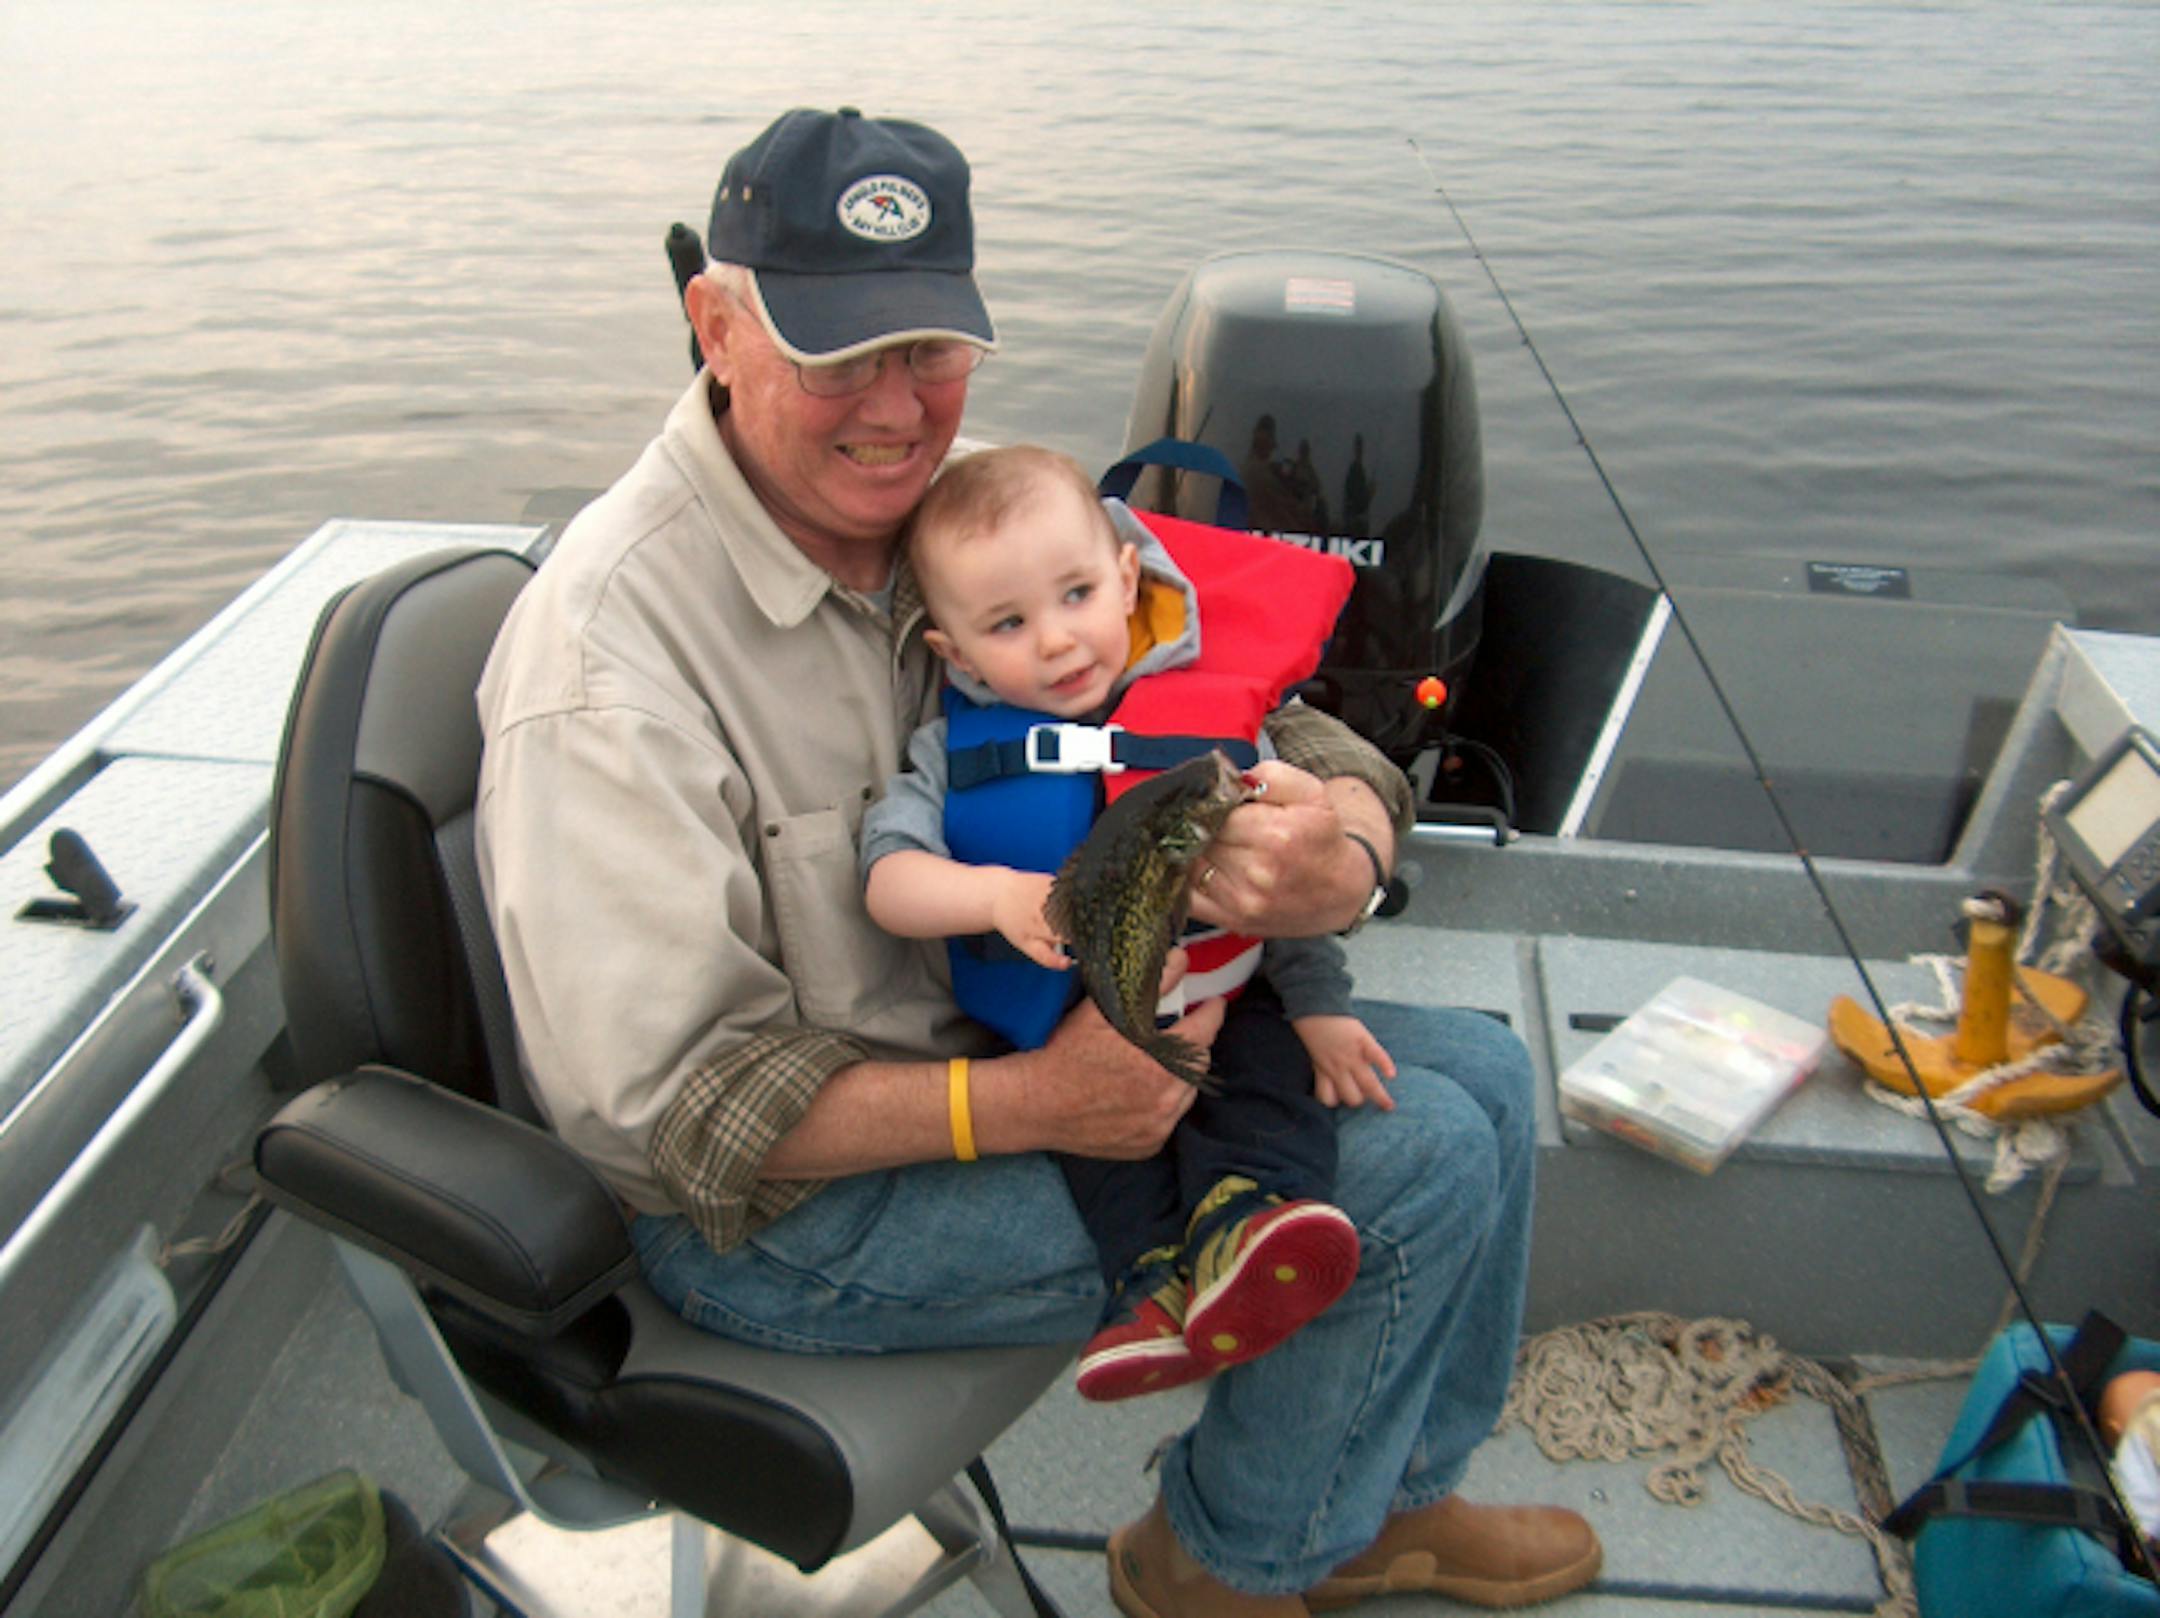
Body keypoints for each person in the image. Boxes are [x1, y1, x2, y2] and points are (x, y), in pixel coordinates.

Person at [474, 104, 1601, 1615]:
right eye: (835, 353)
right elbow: (671, 1116)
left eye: (929, 349)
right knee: (1421, 1165)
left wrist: (1350, 842)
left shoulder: (989, 506)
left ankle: (1386, 1499)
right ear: (715, 324)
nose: (896, 408)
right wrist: (1023, 1099)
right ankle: (1227, 1561)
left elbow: (1261, 694)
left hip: (1062, 1031)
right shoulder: (606, 664)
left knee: (1495, 1078)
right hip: (797, 1218)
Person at [859, 443, 1396, 1404]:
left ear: (1126, 576)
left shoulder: (1216, 716)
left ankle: (1251, 1224)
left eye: (1075, 597)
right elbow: (886, 882)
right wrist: (989, 897)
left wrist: (1322, 1004)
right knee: (1103, 1154)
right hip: (1075, 1020)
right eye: (1008, 624)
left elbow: (1284, 882)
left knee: (1270, 1088)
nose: (1058, 642)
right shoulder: (951, 750)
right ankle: (1145, 1293)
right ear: (951, 649)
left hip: (1233, 995)